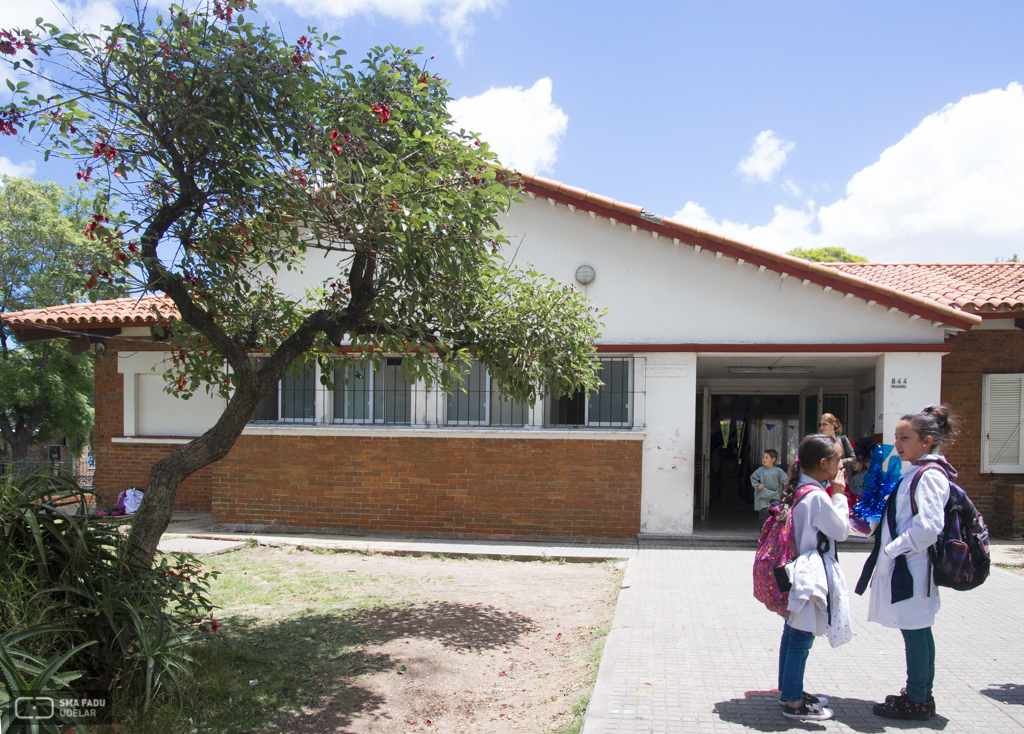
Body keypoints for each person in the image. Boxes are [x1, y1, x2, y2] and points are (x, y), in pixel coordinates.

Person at [855, 405, 957, 722]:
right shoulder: (916, 472)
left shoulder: (928, 477)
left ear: (926, 441)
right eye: (897, 437)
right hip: (911, 567)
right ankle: (920, 695)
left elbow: (927, 527)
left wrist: (892, 549)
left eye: (905, 437)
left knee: (915, 630)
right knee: (918, 629)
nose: (898, 444)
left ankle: (917, 700)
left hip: (913, 568)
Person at [776, 434, 851, 721]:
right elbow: (841, 531)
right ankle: (794, 704)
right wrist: (840, 493)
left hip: (795, 572)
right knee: (801, 639)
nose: (842, 464)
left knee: (792, 633)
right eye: (838, 458)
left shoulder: (799, 490)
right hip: (810, 576)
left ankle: (789, 691)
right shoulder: (818, 497)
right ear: (823, 463)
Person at [819, 413, 855, 496]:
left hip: (839, 478)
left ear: (833, 424)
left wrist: (841, 462)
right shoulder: (820, 441)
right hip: (824, 478)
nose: (822, 428)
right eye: (820, 425)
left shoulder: (842, 439)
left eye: (825, 424)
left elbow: (853, 458)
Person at [750, 449, 787, 524]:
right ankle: (763, 533)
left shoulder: (778, 471)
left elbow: (786, 481)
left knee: (775, 516)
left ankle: (772, 534)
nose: (764, 459)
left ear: (773, 459)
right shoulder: (760, 470)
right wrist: (757, 485)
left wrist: (787, 489)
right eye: (763, 457)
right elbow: (753, 478)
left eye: (767, 458)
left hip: (775, 497)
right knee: (764, 514)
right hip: (763, 497)